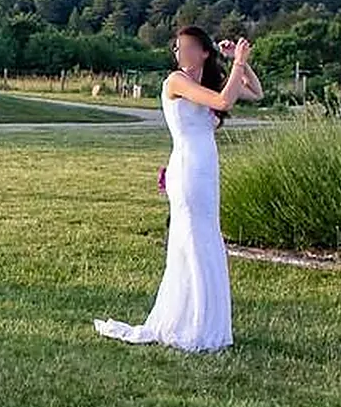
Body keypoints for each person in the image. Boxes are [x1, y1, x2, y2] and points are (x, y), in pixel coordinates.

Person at [94, 29, 261, 353]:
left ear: (204, 53)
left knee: (207, 239)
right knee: (193, 243)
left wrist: (239, 64)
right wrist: (238, 63)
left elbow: (255, 92)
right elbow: (224, 101)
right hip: (186, 171)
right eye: (177, 48)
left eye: (186, 48)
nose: (179, 53)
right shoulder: (176, 81)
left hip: (206, 170)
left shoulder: (207, 83)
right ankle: (192, 326)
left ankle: (206, 323)